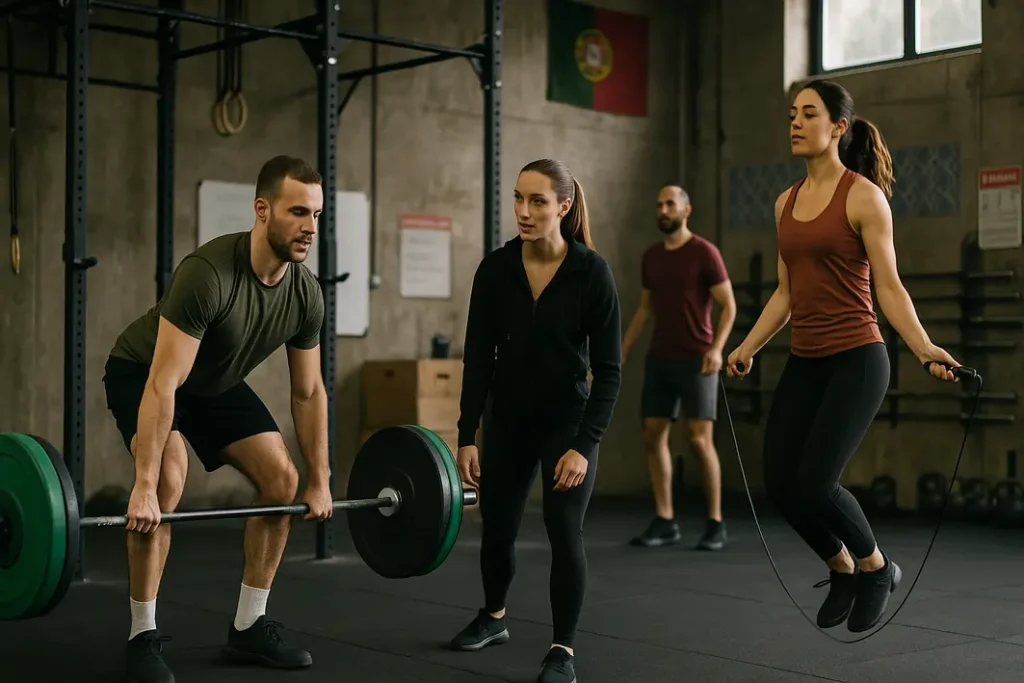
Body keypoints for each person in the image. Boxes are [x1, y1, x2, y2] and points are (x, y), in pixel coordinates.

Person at [726, 79, 962, 633]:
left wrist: (923, 347)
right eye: (793, 113)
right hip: (806, 361)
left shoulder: (863, 197)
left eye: (809, 113)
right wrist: (746, 346)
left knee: (815, 482)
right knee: (780, 483)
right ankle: (841, 568)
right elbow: (785, 294)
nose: (795, 122)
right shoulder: (784, 203)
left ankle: (877, 568)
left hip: (858, 357)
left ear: (838, 127)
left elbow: (890, 288)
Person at [102, 155, 334, 683]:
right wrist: (143, 486)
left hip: (213, 382)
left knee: (282, 480)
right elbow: (163, 383)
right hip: (144, 370)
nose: (310, 227)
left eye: (317, 215)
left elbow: (308, 392)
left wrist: (320, 478)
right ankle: (142, 635)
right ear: (262, 210)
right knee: (168, 478)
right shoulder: (208, 275)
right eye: (298, 212)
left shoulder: (305, 293)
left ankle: (249, 625)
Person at [449, 159, 622, 683]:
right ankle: (493, 617)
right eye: (518, 199)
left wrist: (584, 446)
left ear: (564, 207)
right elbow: (477, 359)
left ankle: (562, 650)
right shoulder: (495, 270)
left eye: (538, 201)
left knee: (563, 529)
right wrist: (467, 434)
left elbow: (609, 372)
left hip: (567, 423)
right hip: (507, 419)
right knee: (497, 526)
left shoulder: (591, 272)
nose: (523, 211)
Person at [622, 185, 736, 550]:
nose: (663, 209)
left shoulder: (704, 252)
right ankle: (665, 519)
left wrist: (717, 350)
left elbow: (729, 306)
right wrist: (623, 348)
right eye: (659, 204)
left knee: (699, 440)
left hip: (697, 360)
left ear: (686, 210)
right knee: (653, 435)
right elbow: (645, 309)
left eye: (670, 204)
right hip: (660, 358)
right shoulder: (652, 257)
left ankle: (715, 522)